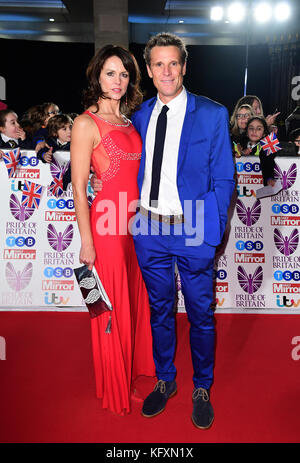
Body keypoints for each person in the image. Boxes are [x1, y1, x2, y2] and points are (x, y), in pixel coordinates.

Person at [131, 32, 235, 429]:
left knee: (200, 314)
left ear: (185, 66)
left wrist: (214, 231)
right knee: (160, 311)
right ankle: (166, 379)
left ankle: (202, 386)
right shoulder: (140, 115)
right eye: (159, 64)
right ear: (150, 70)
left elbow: (225, 178)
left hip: (194, 228)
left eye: (173, 62)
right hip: (150, 229)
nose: (167, 71)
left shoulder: (211, 113)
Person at [71, 44, 155, 415]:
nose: (118, 80)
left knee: (134, 303)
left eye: (124, 73)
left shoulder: (130, 122)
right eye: (110, 73)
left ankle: (134, 373)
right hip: (105, 229)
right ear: (97, 76)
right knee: (110, 307)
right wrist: (86, 242)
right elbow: (78, 187)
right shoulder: (85, 123)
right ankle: (114, 385)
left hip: (135, 226)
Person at [240, 116, 276, 186]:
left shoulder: (269, 144)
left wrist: (269, 178)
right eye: (251, 128)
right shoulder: (239, 143)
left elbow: (269, 162)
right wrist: (241, 154)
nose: (254, 131)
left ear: (264, 133)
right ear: (247, 132)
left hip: (260, 186)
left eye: (259, 129)